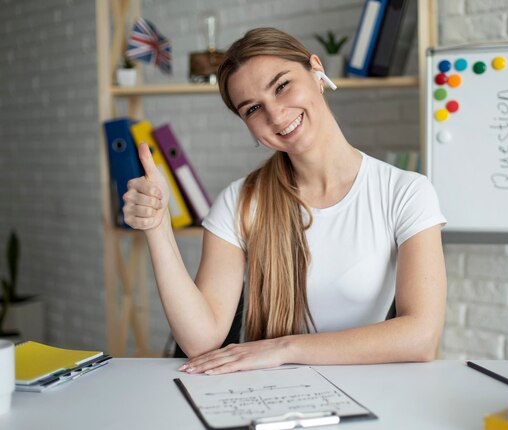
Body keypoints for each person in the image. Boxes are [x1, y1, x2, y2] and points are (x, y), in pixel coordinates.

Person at [122, 27, 447, 375]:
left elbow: (421, 336)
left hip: (365, 394)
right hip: (270, 396)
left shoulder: (405, 192)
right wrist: (158, 228)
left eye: (281, 86)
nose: (275, 116)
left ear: (317, 71)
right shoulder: (240, 202)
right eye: (253, 109)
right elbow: (201, 340)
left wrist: (284, 348)